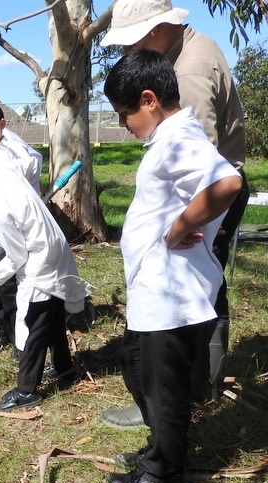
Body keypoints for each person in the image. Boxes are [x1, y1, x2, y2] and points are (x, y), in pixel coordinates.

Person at [99, 0, 250, 428]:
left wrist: (183, 222)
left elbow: (201, 165)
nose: (127, 53)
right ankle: (185, 388)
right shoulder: (187, 49)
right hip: (200, 197)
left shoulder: (188, 74)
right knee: (202, 285)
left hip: (203, 202)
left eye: (130, 43)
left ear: (155, 30)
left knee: (191, 293)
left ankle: (176, 392)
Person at [0, 149, 93, 412]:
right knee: (53, 315)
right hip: (51, 250)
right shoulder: (3, 174)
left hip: (40, 261)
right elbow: (26, 163)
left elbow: (17, 256)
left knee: (33, 323)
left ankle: (26, 390)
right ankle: (64, 367)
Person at [0, 101, 44, 353]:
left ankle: (18, 338)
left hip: (10, 233)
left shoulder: (16, 153)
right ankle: (1, 332)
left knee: (12, 288)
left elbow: (32, 171)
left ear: (2, 125)